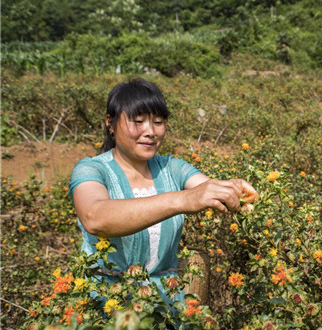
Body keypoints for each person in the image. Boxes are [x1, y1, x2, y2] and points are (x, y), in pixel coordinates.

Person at [69, 78, 258, 306]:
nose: (150, 132)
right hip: (107, 305)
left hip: (164, 305)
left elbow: (209, 187)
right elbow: (95, 217)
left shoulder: (173, 169)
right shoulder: (92, 170)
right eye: (138, 121)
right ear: (110, 122)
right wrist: (183, 200)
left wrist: (235, 190)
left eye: (158, 122)